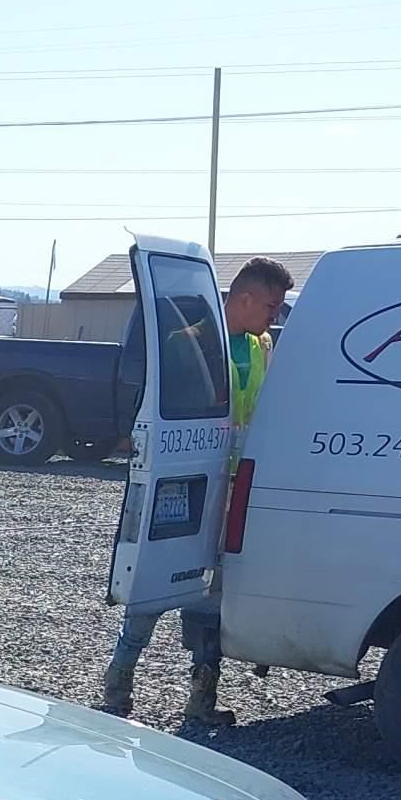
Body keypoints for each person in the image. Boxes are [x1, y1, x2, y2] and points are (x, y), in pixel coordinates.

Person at [97, 256, 292, 728]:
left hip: (231, 488)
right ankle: (118, 684)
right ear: (243, 299)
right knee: (156, 580)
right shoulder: (186, 345)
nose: (276, 315)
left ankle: (201, 699)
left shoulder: (263, 345)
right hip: (184, 482)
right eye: (271, 305)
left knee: (212, 595)